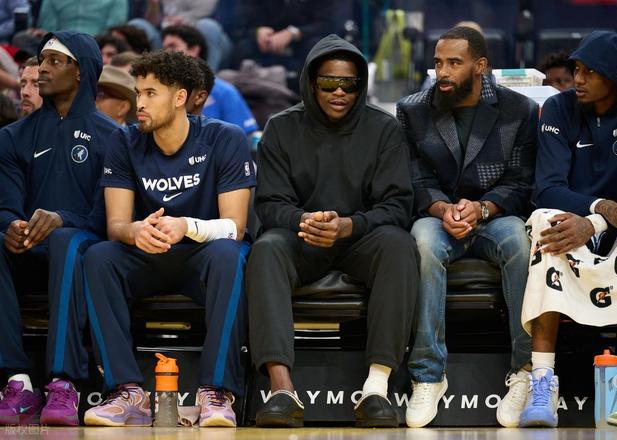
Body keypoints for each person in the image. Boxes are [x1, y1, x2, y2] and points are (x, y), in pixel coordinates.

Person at [247, 34, 418, 428]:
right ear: (312, 82)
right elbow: (269, 204)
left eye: (349, 84)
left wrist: (349, 226)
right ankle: (281, 389)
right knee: (266, 249)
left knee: (399, 245)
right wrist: (303, 221)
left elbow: (397, 206)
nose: (339, 92)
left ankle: (376, 388)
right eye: (328, 83)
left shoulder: (384, 128)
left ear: (360, 86)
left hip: (360, 238)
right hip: (302, 237)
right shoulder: (281, 127)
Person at [82, 50, 255, 428]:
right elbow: (116, 224)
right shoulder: (124, 141)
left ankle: (216, 391)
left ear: (179, 97)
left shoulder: (224, 138)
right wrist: (135, 231)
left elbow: (235, 226)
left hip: (202, 255)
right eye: (138, 93)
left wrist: (187, 226)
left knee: (230, 254)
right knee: (99, 256)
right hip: (149, 254)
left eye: (150, 93)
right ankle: (125, 391)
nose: (140, 103)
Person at [397, 26, 537, 428]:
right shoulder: (413, 109)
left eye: (454, 63)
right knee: (422, 245)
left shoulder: (519, 109)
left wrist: (482, 209)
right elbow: (415, 179)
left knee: (520, 243)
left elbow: (521, 183)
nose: (443, 72)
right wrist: (444, 209)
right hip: (437, 216)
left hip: (494, 214)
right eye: (439, 62)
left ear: (480, 66)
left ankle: (526, 370)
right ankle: (428, 375)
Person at [520, 31, 617, 428]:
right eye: (576, 69)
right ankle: (542, 380)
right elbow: (547, 188)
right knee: (545, 222)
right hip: (572, 221)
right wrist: (598, 210)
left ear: (616, 77)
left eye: (589, 72)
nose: (577, 79)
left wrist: (598, 221)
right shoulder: (558, 108)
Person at [0, 31, 117, 426]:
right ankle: (17, 381)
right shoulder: (12, 137)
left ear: (80, 71)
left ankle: (63, 381)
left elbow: (108, 217)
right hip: (29, 252)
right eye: (42, 60)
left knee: (66, 239)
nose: (42, 69)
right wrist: (12, 226)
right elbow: (5, 206)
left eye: (54, 61)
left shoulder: (113, 137)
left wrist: (64, 218)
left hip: (85, 255)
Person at [161, 27, 258, 136]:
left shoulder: (223, 91)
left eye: (173, 46)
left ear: (193, 50)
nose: (166, 53)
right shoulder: (160, 90)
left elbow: (245, 136)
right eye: (164, 48)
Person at [230, 0, 340, 93]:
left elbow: (329, 25)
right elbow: (238, 24)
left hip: (303, 41)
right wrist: (257, 32)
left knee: (317, 49)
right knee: (243, 48)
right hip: (265, 41)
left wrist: (294, 33)